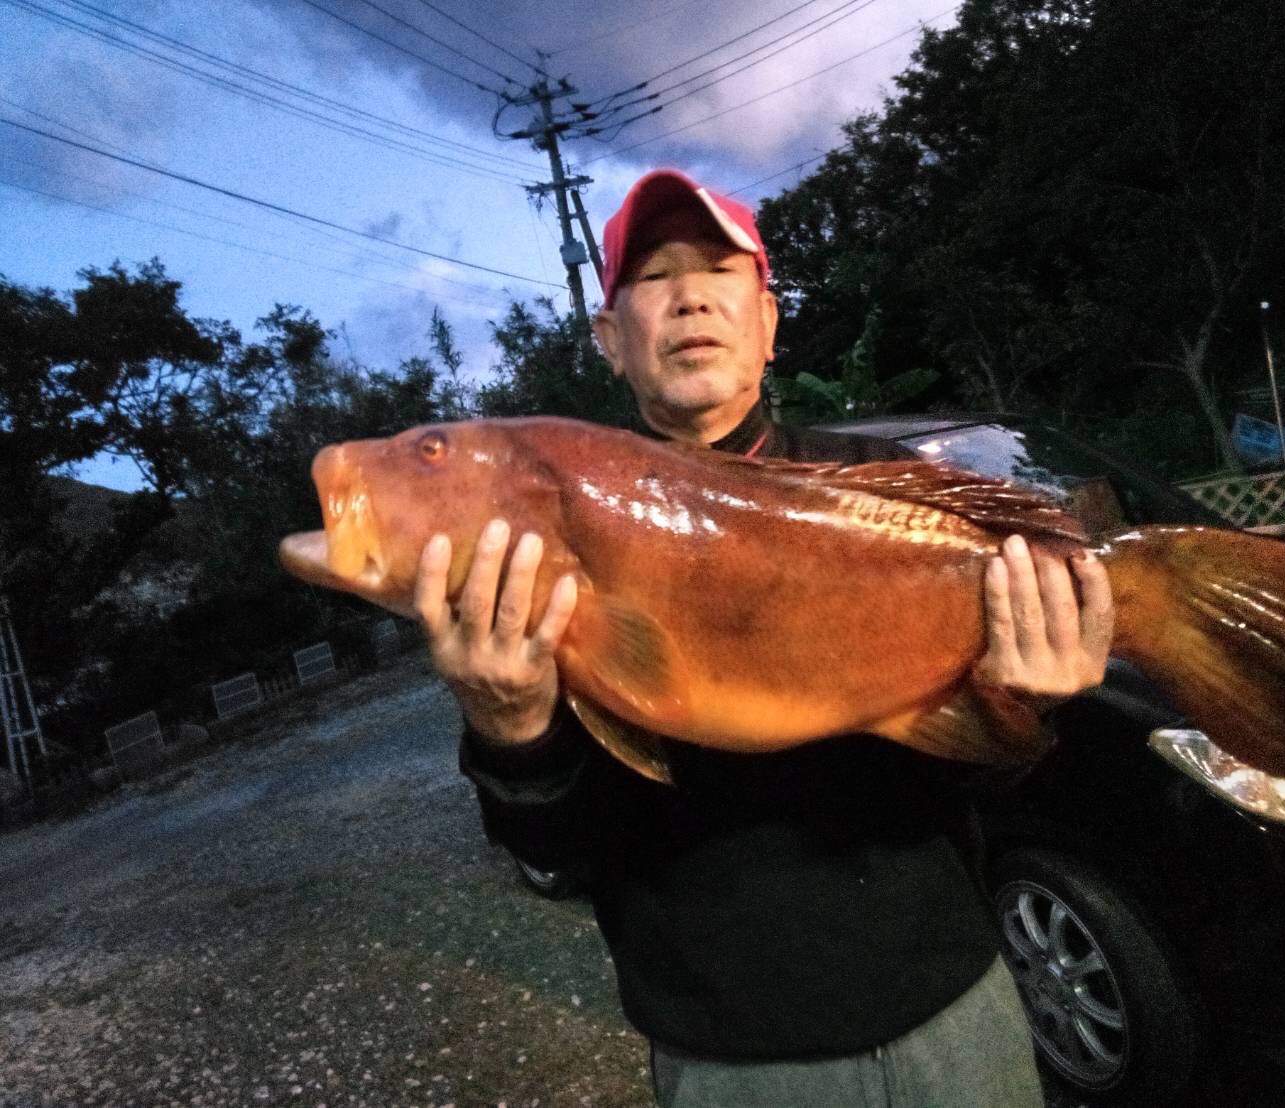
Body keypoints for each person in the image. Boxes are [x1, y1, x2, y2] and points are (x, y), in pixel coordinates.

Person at [413, 169, 1114, 1107]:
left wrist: (1024, 699)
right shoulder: (540, 536)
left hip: (954, 1009)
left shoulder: (882, 487)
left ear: (768, 321)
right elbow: (560, 849)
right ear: (609, 338)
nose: (691, 294)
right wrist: (509, 727)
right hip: (730, 1060)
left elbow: (992, 773)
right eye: (654, 277)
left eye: (718, 270)